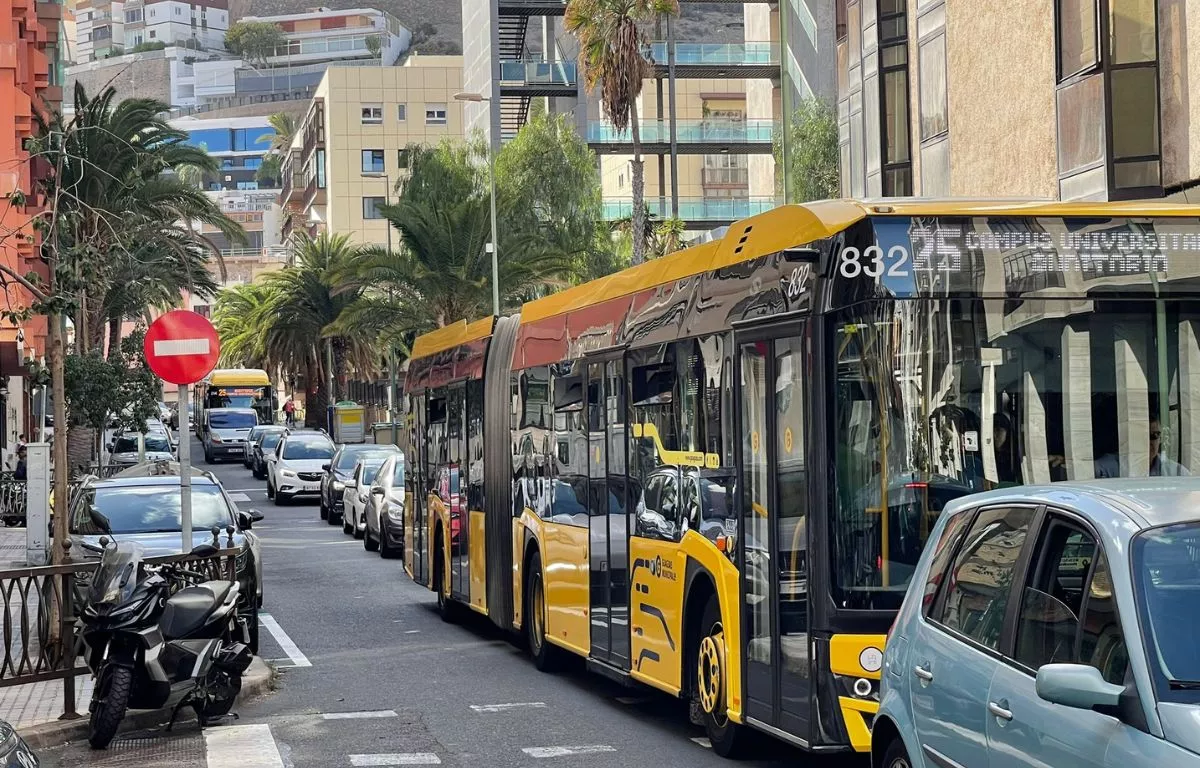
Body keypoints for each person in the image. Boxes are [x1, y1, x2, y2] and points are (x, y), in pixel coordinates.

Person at [1095, 417, 1190, 478]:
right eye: (1141, 436)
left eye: (1154, 435)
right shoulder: (1109, 466)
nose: (1148, 442)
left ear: (1160, 439)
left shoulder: (1174, 471)